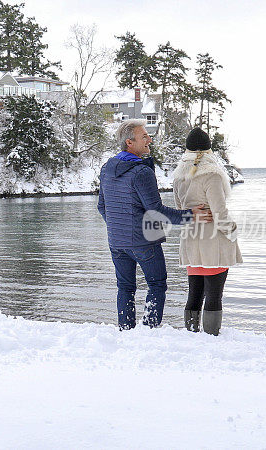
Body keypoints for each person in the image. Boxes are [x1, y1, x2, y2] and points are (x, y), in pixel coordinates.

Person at [98, 120, 212, 330]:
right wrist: (191, 215)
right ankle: (149, 330)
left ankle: (126, 330)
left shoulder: (107, 169)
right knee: (157, 284)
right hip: (143, 242)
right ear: (130, 143)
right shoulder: (141, 172)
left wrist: (118, 228)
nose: (149, 139)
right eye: (144, 137)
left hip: (117, 242)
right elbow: (156, 211)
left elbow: (102, 207)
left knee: (125, 287)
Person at [172, 127, 243, 335]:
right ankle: (212, 337)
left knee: (194, 292)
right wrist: (233, 231)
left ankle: (191, 334)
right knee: (214, 294)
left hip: (190, 239)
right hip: (213, 241)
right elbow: (220, 213)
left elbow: (180, 211)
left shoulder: (179, 176)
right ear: (209, 150)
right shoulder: (211, 175)